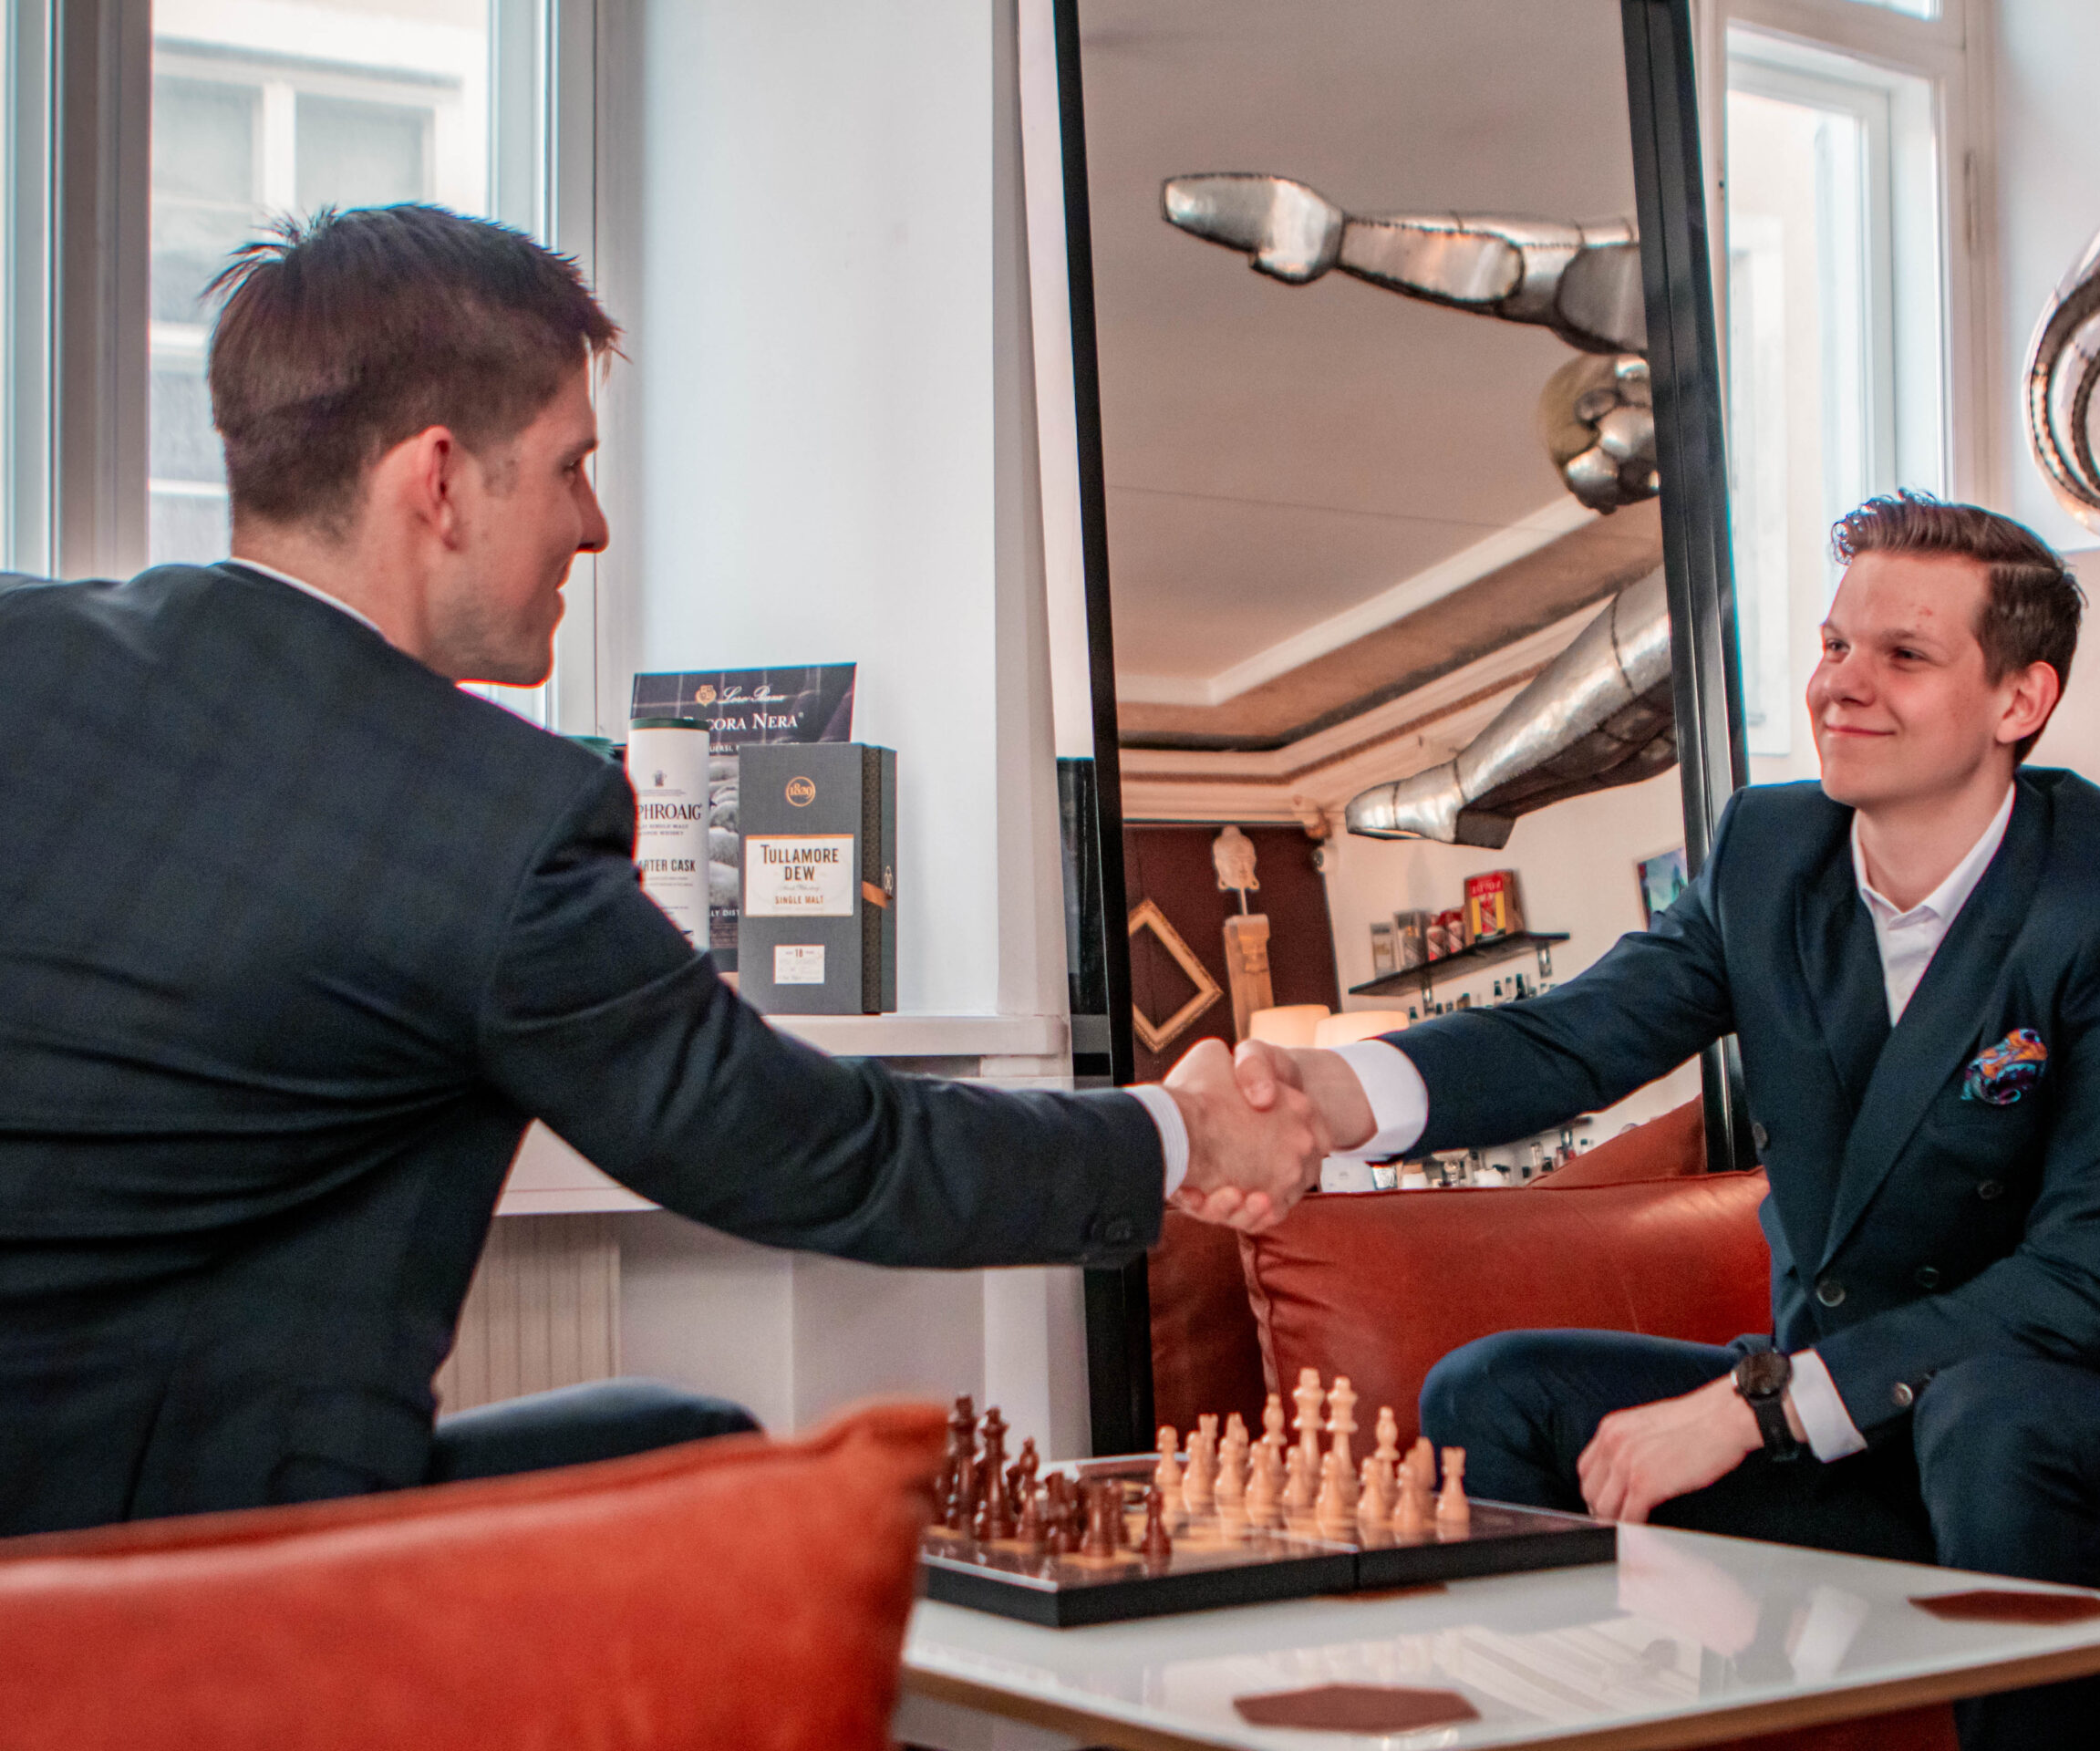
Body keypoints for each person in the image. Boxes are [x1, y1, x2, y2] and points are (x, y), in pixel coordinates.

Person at [0, 204, 1325, 1538]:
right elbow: (822, 1155)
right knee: (704, 1466)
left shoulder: (27, 652)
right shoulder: (489, 823)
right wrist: (1184, 1130)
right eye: (570, 467)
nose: (596, 527)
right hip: (176, 1588)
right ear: (440, 483)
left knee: (659, 1444)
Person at [1237, 493, 2100, 1751]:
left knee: (1992, 1416)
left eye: (1904, 656)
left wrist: (1761, 1403)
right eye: (1837, 645)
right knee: (1498, 1394)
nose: (1842, 685)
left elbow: (2090, 1283)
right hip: (1872, 1424)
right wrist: (1330, 1098)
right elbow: (1576, 1036)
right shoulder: (1766, 851)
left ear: (2020, 703)